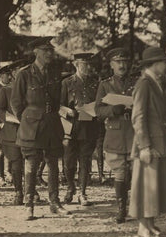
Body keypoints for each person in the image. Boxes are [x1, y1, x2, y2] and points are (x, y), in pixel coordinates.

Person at [11, 37, 70, 220]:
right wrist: (29, 119)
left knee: (53, 164)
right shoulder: (24, 74)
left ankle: (54, 202)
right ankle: (29, 205)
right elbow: (16, 103)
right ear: (36, 51)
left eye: (50, 50)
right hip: (32, 126)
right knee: (31, 165)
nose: (49, 54)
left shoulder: (54, 73)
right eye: (45, 50)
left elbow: (57, 100)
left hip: (52, 124)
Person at [129, 47, 166, 237]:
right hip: (150, 144)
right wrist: (144, 146)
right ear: (155, 64)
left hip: (160, 142)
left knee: (155, 187)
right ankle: (143, 228)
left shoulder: (155, 83)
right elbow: (138, 117)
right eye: (163, 62)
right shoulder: (144, 84)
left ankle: (150, 223)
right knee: (146, 187)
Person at [95, 47, 136, 223]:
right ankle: (121, 209)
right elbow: (98, 110)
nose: (122, 65)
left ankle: (136, 206)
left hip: (135, 133)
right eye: (118, 62)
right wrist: (113, 109)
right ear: (111, 65)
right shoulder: (105, 84)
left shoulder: (138, 82)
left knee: (136, 173)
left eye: (125, 62)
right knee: (119, 173)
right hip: (116, 134)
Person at [60, 53, 100, 206]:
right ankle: (71, 187)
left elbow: (99, 103)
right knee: (69, 163)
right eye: (84, 65)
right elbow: (59, 105)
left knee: (85, 161)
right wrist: (67, 111)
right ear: (76, 65)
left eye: (89, 64)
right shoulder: (67, 83)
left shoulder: (95, 83)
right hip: (70, 127)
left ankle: (82, 193)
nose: (87, 68)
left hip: (88, 126)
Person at [0, 61, 27, 204]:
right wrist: (16, 119)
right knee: (16, 164)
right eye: (22, 71)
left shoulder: (31, 90)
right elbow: (0, 111)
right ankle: (18, 192)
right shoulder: (6, 90)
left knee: (31, 161)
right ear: (14, 73)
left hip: (30, 131)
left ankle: (31, 191)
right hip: (11, 132)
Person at [0, 64, 13, 186]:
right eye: (8, 75)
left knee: (9, 148)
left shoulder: (11, 89)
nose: (10, 77)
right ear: (1, 76)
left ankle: (8, 173)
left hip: (9, 123)